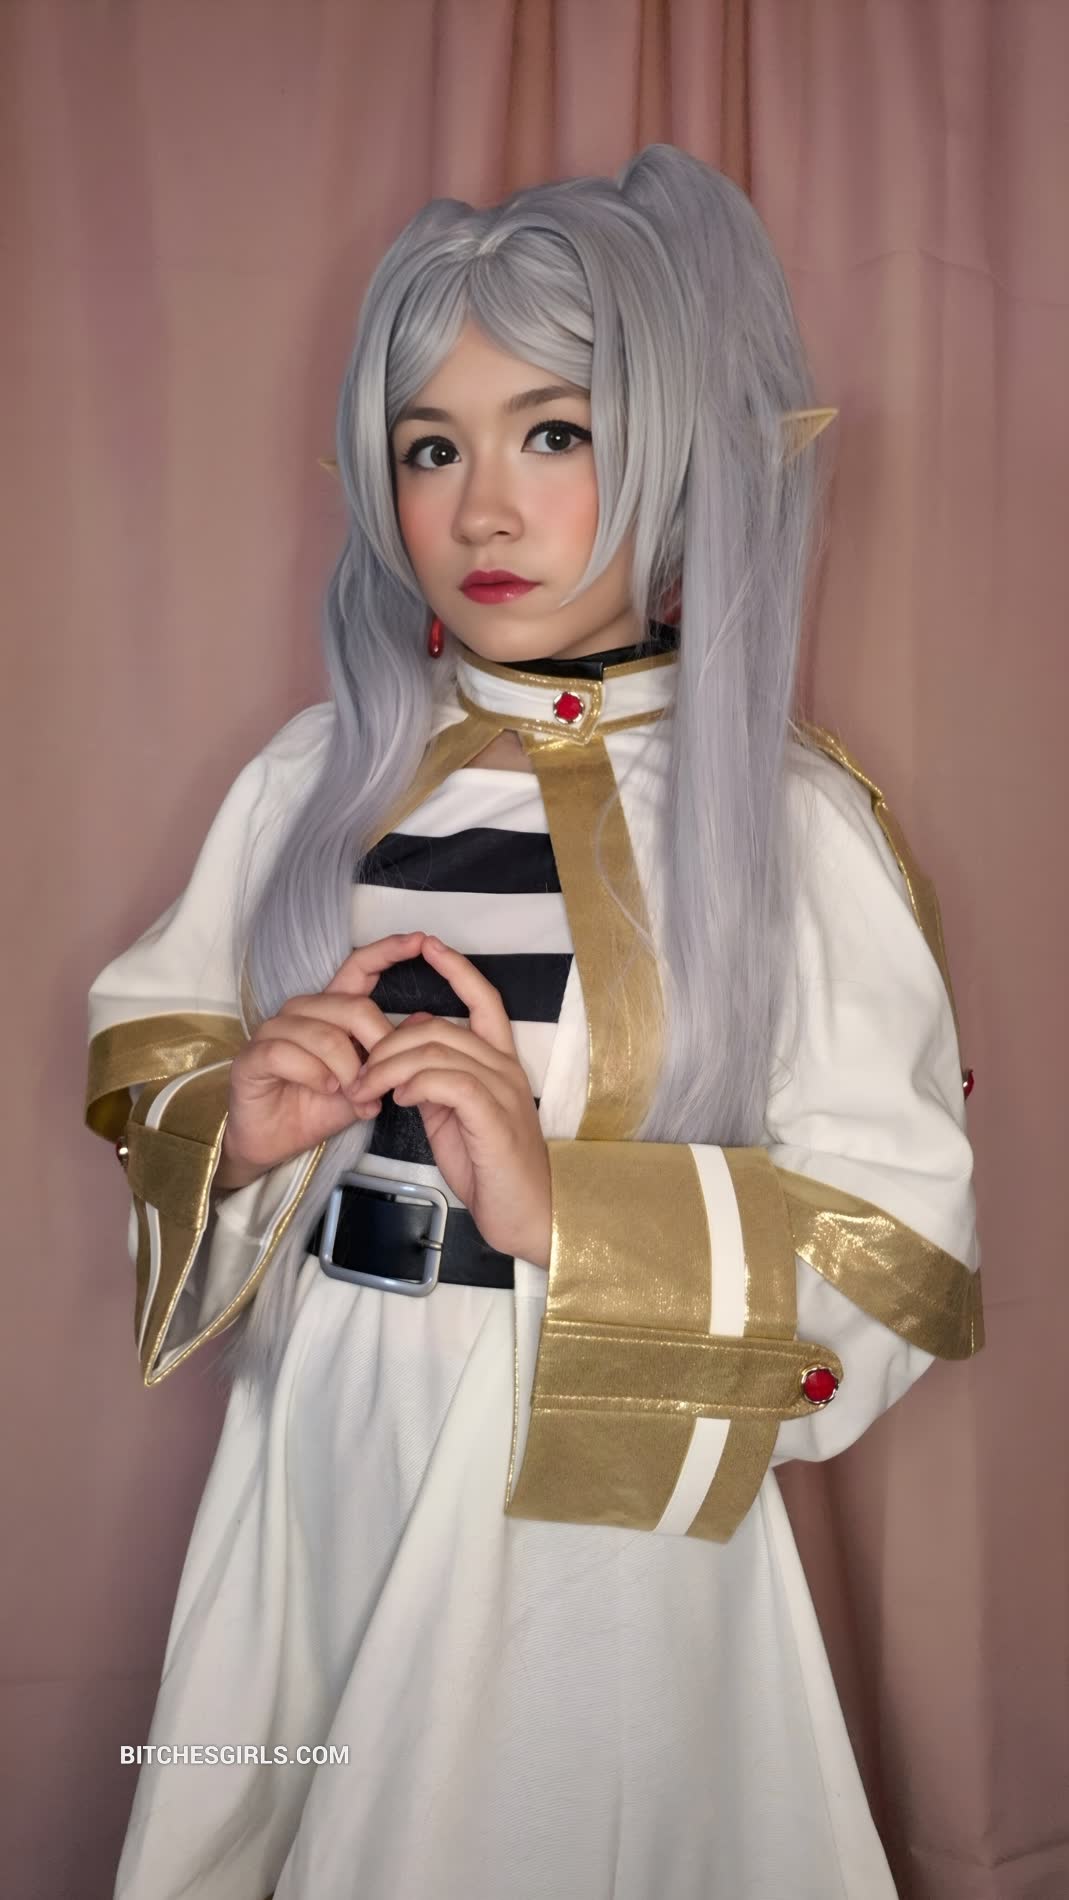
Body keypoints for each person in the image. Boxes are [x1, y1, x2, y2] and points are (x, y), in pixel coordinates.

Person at [85, 144, 982, 1900]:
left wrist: (567, 1210)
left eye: (552, 433)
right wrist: (238, 1128)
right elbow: (154, 1051)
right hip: (320, 1438)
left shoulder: (784, 824)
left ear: (680, 452)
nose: (482, 511)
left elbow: (900, 1242)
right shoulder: (312, 783)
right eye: (431, 447)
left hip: (586, 1487)